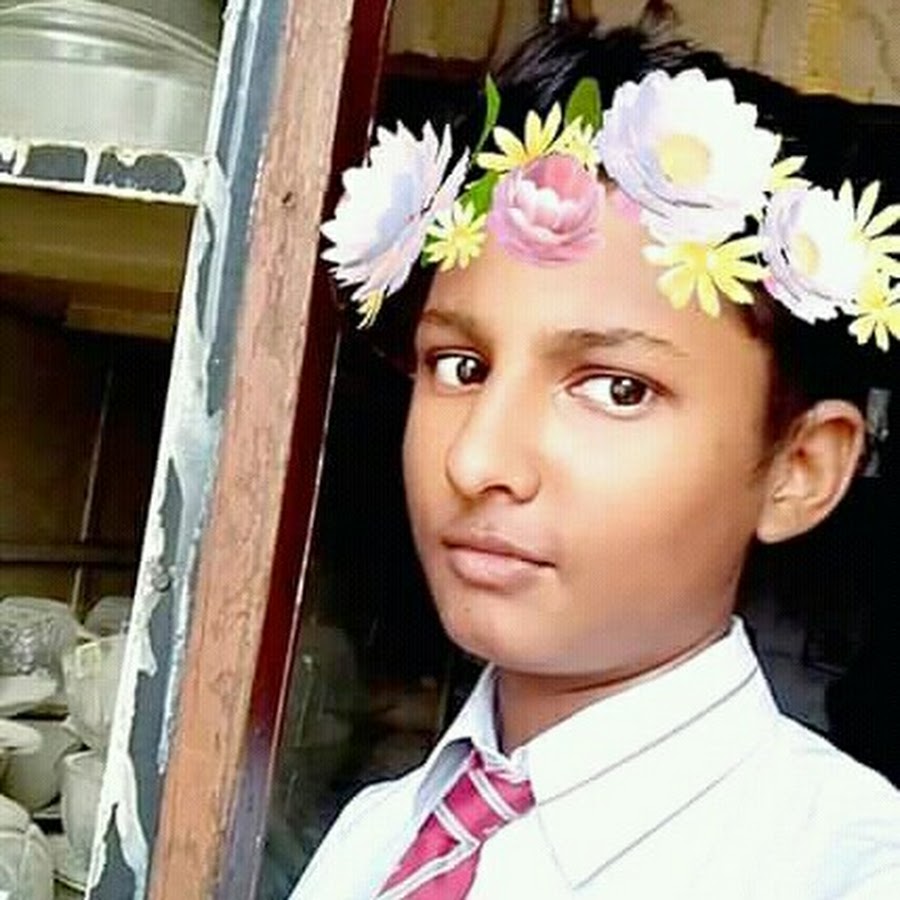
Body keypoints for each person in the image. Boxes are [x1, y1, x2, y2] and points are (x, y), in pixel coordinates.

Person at [291, 12, 900, 899]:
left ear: (798, 471)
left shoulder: (851, 875)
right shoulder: (374, 837)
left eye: (616, 388)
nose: (478, 460)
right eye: (459, 367)